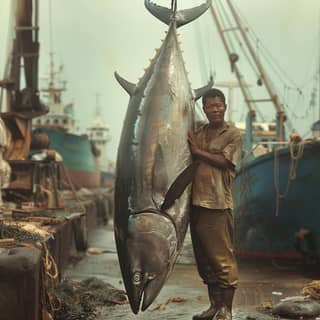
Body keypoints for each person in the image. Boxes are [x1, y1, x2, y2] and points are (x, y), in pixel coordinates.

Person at [188, 88, 242, 320]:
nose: (216, 109)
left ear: (225, 106)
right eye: (211, 106)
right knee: (205, 260)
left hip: (217, 204)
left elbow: (224, 161)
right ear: (204, 109)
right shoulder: (199, 133)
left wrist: (198, 152)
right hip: (195, 203)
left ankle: (226, 310)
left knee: (222, 259)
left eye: (219, 105)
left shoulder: (233, 134)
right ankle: (214, 306)